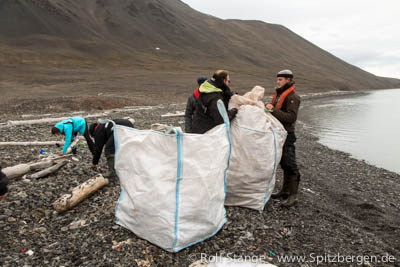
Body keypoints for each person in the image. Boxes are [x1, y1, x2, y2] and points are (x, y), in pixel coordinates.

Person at [265, 69, 301, 207]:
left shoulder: (293, 97)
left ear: (288, 80)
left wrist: (273, 110)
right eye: (277, 79)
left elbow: (291, 117)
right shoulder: (279, 95)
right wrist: (270, 106)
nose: (278, 81)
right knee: (284, 163)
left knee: (290, 163)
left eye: (280, 79)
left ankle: (293, 196)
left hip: (287, 134)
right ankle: (285, 191)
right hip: (279, 133)